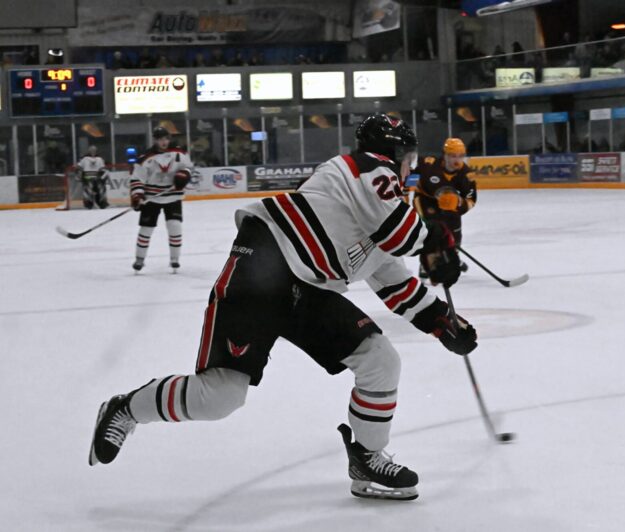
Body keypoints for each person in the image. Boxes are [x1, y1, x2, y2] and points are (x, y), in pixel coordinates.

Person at [88, 114, 477, 501]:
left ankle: (367, 458)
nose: (410, 166)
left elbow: (395, 282)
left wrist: (443, 322)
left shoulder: (382, 207)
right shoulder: (364, 168)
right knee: (221, 396)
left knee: (380, 359)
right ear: (394, 152)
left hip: (306, 289)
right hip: (263, 264)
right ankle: (125, 409)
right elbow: (404, 234)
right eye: (408, 156)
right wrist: (438, 241)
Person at [129, 126, 194, 273]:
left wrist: (184, 175)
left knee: (175, 226)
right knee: (146, 229)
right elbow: (137, 179)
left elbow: (189, 168)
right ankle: (140, 259)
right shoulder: (145, 158)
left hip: (173, 197)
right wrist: (137, 195)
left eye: (165, 138)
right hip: (151, 198)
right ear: (155, 140)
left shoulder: (180, 153)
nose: (163, 142)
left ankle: (174, 259)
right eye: (160, 139)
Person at [413, 138, 477, 279]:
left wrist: (458, 205)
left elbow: (471, 200)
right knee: (432, 232)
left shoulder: (467, 175)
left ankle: (452, 258)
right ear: (445, 155)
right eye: (453, 156)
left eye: (461, 156)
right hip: (426, 200)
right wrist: (405, 191)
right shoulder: (429, 165)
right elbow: (413, 175)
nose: (457, 160)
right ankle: (426, 264)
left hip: (450, 204)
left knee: (455, 234)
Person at [76, 145, 109, 210]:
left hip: (97, 178)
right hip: (87, 178)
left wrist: (102, 177)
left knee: (101, 188)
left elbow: (102, 169)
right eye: (91, 150)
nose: (93, 152)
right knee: (88, 189)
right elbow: (79, 168)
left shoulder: (99, 159)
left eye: (94, 150)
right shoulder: (84, 159)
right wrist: (80, 176)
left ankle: (102, 203)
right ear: (89, 151)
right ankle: (88, 203)